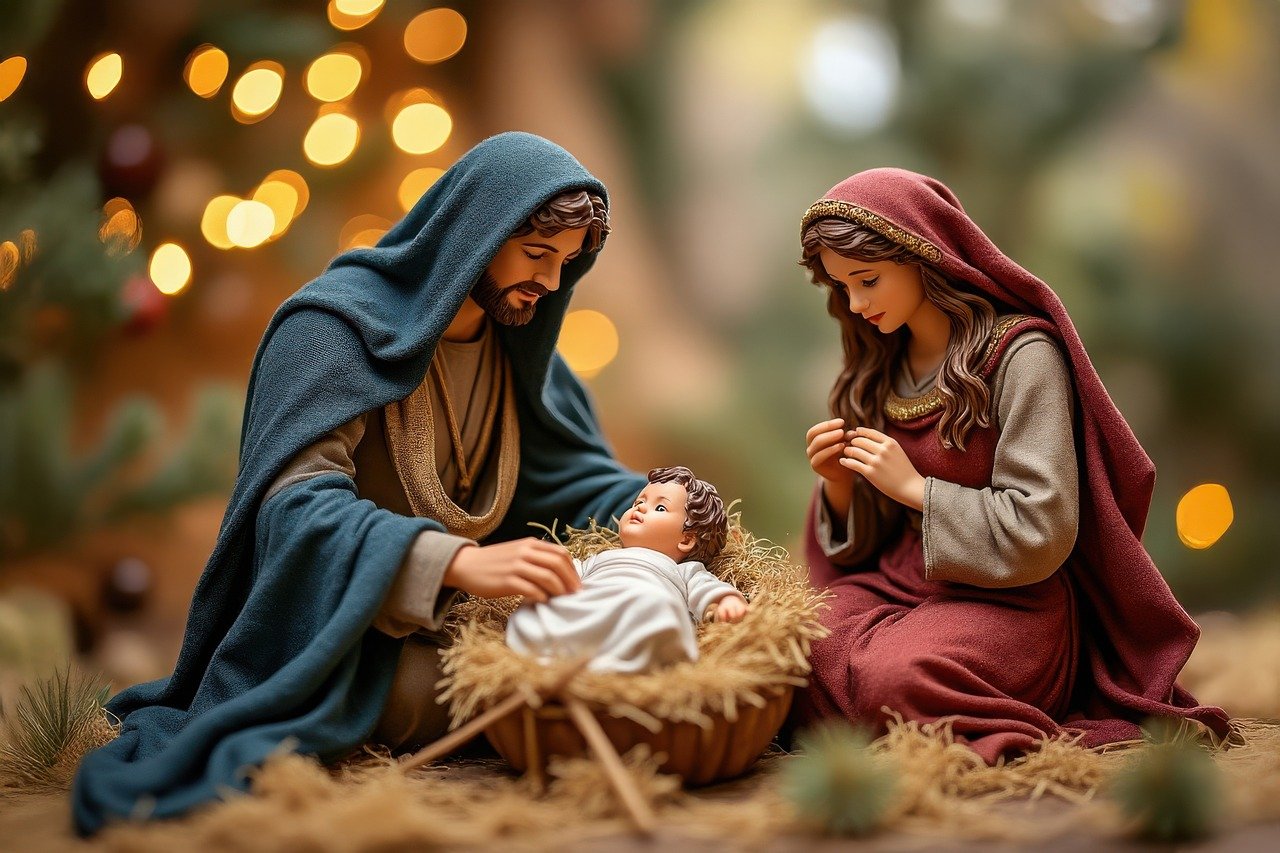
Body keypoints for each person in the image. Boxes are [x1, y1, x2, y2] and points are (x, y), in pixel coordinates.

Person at [72, 132, 648, 833]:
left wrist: (678, 509)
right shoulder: (331, 332)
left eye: (565, 263)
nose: (550, 284)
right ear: (480, 231)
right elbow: (296, 509)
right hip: (344, 639)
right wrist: (458, 561)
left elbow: (577, 483)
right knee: (526, 693)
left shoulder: (522, 357)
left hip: (482, 628)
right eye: (536, 255)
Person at [791, 168, 1229, 763]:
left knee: (893, 678)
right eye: (842, 288)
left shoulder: (1022, 357)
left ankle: (902, 713)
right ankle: (874, 709)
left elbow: (1043, 528)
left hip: (1010, 604)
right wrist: (842, 490)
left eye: (867, 281)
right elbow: (864, 546)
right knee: (793, 647)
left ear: (924, 259)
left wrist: (920, 490)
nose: (856, 304)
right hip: (898, 586)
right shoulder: (880, 364)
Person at [506, 465, 748, 673]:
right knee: (537, 609)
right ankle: (559, 655)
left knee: (657, 608)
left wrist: (726, 601)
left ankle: (614, 662)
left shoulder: (682, 570)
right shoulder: (599, 557)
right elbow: (567, 574)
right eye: (639, 502)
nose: (639, 508)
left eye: (660, 508)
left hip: (640, 608)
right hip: (590, 606)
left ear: (686, 540)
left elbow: (705, 586)